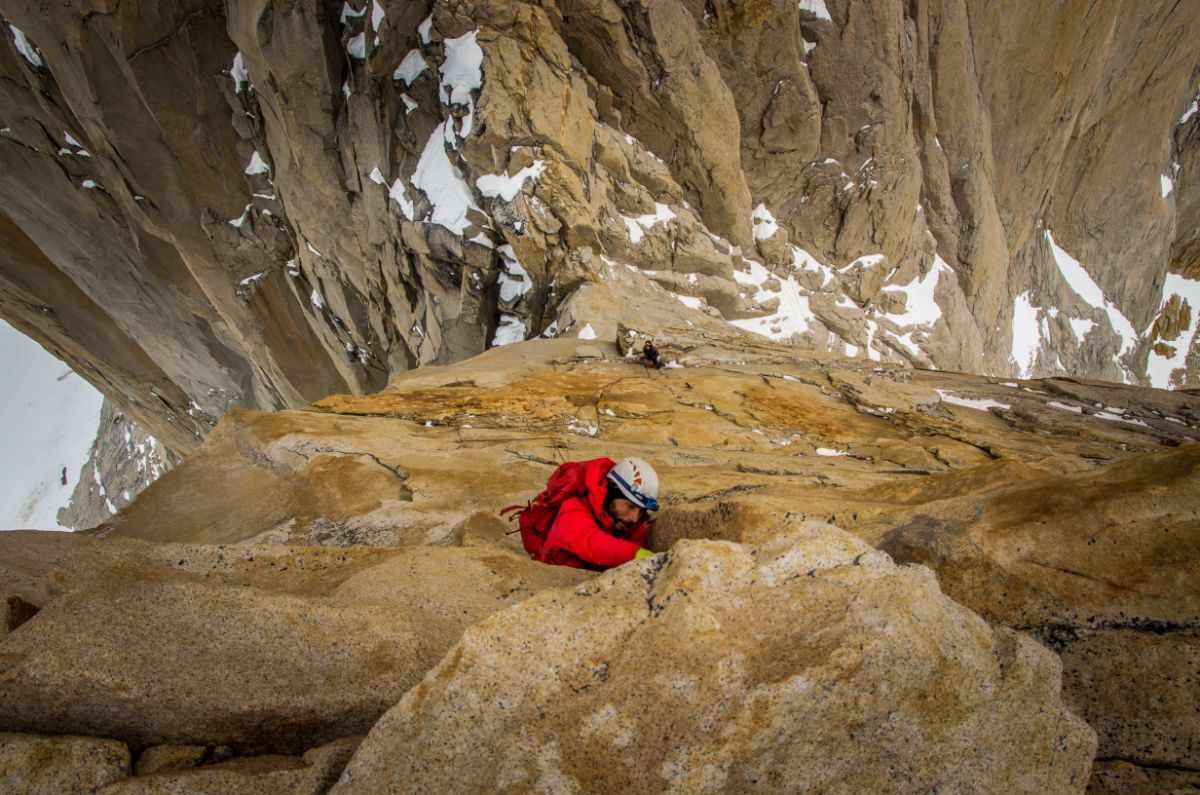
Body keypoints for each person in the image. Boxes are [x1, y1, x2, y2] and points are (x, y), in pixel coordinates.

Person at [538, 456, 660, 571]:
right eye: (631, 506)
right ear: (612, 491)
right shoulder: (572, 508)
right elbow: (590, 542)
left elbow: (637, 538)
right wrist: (634, 554)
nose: (634, 518)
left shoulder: (623, 520)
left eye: (641, 511)